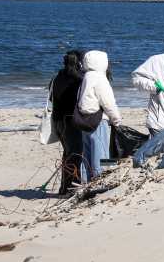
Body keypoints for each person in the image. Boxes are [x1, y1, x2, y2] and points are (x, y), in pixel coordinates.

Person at [76, 50, 122, 180]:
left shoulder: (86, 77)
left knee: (87, 155)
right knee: (100, 155)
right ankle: (99, 181)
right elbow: (108, 103)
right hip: (98, 121)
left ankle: (85, 181)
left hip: (84, 121)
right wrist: (117, 120)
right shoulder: (99, 78)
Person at [50, 50, 84, 195]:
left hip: (58, 120)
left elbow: (51, 98)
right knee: (75, 154)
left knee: (68, 153)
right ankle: (72, 187)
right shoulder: (78, 79)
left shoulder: (57, 77)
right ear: (79, 63)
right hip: (70, 121)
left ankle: (65, 187)